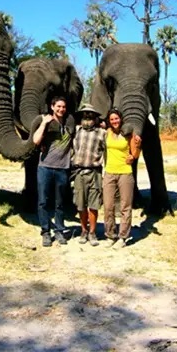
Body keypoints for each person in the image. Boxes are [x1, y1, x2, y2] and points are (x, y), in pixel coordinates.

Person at [31, 96, 76, 247]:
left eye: (63, 107)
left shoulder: (70, 123)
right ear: (52, 107)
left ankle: (59, 230)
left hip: (63, 169)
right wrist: (44, 123)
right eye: (58, 106)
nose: (61, 109)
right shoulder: (47, 122)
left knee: (60, 203)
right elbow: (36, 140)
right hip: (45, 167)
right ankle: (45, 232)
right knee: (43, 201)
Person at [102, 108, 141, 248]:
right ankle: (110, 235)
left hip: (125, 172)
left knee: (125, 206)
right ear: (109, 121)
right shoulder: (107, 133)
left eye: (116, 119)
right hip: (109, 172)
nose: (114, 121)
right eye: (112, 119)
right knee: (108, 206)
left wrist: (135, 151)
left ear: (121, 119)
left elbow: (135, 154)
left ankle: (123, 237)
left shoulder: (128, 134)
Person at [71, 103, 106, 246]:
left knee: (94, 205)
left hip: (95, 172)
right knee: (80, 205)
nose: (88, 117)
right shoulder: (76, 130)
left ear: (96, 118)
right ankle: (83, 230)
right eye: (85, 114)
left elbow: (108, 150)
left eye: (91, 115)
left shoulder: (102, 133)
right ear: (81, 117)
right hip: (79, 172)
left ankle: (92, 232)